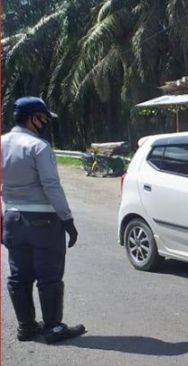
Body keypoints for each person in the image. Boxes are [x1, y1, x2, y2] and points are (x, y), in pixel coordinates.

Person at [2, 96, 86, 343]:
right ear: (33, 118)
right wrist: (67, 219)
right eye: (44, 118)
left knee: (19, 275)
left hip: (13, 218)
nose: (46, 123)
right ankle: (53, 328)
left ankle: (26, 327)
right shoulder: (38, 146)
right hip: (44, 221)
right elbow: (51, 185)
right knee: (49, 275)